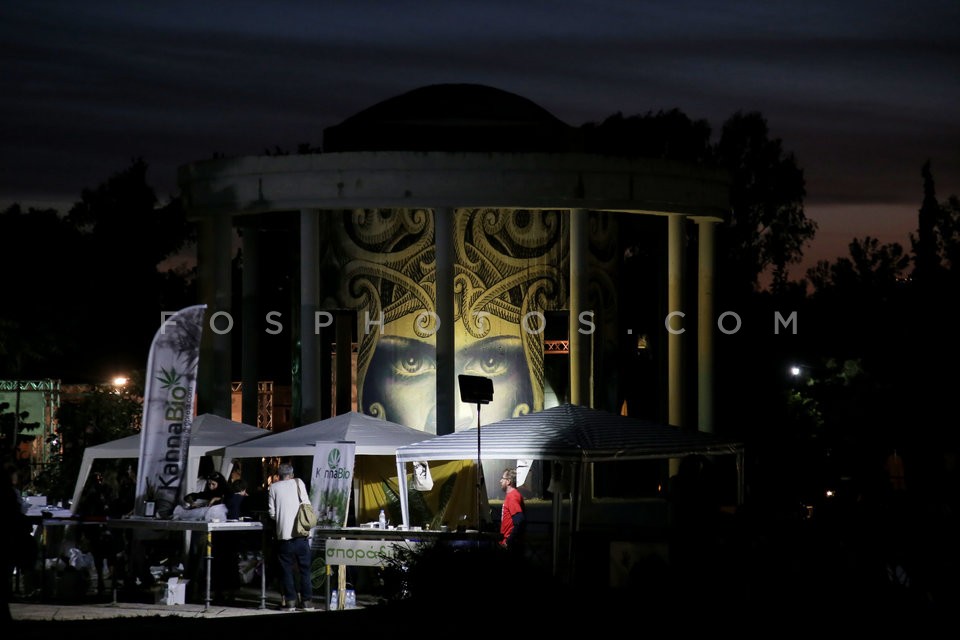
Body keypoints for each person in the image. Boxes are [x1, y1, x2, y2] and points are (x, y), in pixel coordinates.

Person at [268, 462, 314, 611]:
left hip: (284, 537)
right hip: (301, 534)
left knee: (286, 570)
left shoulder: (273, 487)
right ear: (292, 474)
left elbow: (272, 513)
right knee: (304, 570)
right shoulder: (299, 482)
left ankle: (290, 603)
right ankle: (306, 602)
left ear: (278, 476)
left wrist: (282, 518)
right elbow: (306, 504)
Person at [499, 468, 526, 556]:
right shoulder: (511, 496)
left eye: (502, 478)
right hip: (510, 544)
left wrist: (508, 541)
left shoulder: (512, 497)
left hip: (510, 546)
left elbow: (520, 521)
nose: (500, 481)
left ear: (508, 481)